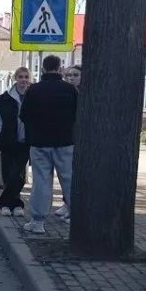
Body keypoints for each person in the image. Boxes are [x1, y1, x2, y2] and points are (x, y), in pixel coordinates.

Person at [19, 55, 77, 234]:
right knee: (69, 179)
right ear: (60, 68)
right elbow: (79, 113)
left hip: (39, 142)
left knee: (41, 181)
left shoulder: (34, 90)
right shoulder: (71, 90)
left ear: (43, 69)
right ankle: (78, 218)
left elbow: (24, 115)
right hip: (65, 141)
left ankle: (38, 222)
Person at [0, 67, 32, 217]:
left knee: (18, 175)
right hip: (8, 141)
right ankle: (12, 205)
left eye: (26, 77)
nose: (23, 80)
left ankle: (6, 202)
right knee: (8, 173)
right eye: (20, 77)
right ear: (16, 79)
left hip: (25, 142)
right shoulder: (5, 99)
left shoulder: (32, 96)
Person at [54, 64, 82, 219]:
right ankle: (67, 203)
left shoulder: (83, 94)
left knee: (74, 175)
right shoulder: (65, 93)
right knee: (66, 174)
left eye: (75, 75)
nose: (71, 78)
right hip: (66, 138)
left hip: (79, 140)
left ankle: (74, 208)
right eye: (69, 75)